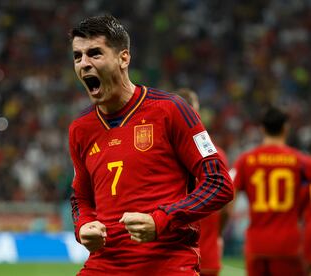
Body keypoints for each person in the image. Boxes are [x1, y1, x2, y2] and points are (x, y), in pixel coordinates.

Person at [68, 14, 234, 276]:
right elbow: (81, 197)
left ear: (124, 58)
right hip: (106, 264)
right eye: (78, 56)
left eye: (95, 53)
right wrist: (84, 224)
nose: (84, 64)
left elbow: (219, 184)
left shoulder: (171, 110)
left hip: (167, 263)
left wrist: (162, 219)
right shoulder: (80, 129)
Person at [232, 105, 311, 276]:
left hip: (256, 245)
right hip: (289, 245)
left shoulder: (246, 160)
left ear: (262, 129)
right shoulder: (301, 162)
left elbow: (229, 198)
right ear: (285, 128)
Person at [177, 88, 229, 276]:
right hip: (206, 250)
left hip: (171, 254)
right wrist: (218, 234)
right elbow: (226, 205)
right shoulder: (216, 154)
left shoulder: (160, 154)